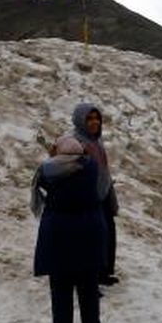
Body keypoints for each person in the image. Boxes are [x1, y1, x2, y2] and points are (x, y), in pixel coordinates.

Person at [31, 136, 109, 323]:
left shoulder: (47, 171)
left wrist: (52, 154)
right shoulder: (90, 168)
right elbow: (89, 162)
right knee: (88, 292)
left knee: (60, 291)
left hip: (58, 236)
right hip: (87, 235)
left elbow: (48, 178)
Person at [63, 103, 119, 285]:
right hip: (85, 201)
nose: (94, 122)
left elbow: (104, 170)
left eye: (97, 118)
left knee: (107, 236)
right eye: (89, 119)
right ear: (80, 121)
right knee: (90, 242)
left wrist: (110, 197)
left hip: (101, 197)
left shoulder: (96, 141)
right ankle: (89, 281)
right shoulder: (74, 143)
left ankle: (103, 274)